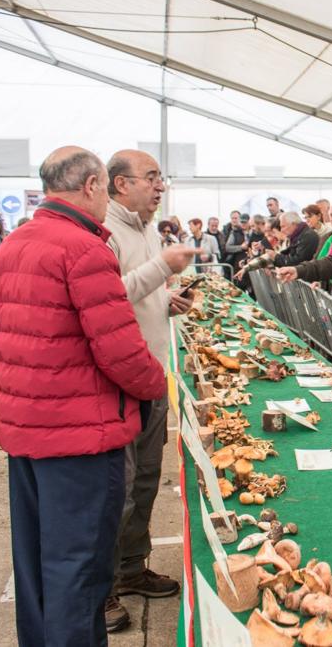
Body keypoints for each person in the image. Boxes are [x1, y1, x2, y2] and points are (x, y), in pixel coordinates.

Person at [0, 146, 167, 647]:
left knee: (39, 567)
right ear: (91, 187)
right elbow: (121, 352)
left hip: (28, 433)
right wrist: (158, 384)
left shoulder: (15, 244)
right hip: (80, 438)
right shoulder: (84, 248)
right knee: (79, 570)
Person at [103, 149, 199, 631]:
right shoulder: (105, 231)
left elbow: (140, 296)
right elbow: (108, 298)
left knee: (143, 481)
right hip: (118, 383)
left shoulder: (143, 227)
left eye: (162, 177)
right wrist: (163, 268)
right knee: (114, 491)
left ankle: (130, 569)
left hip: (153, 375)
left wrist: (167, 300)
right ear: (120, 184)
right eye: (151, 177)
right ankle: (101, 592)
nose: (160, 186)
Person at [223, 210, 248, 281]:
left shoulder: (250, 230)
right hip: (235, 263)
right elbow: (227, 248)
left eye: (236, 218)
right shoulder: (232, 232)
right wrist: (241, 247)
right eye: (232, 218)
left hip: (248, 262)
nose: (234, 220)